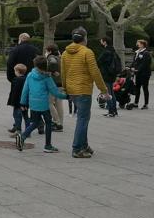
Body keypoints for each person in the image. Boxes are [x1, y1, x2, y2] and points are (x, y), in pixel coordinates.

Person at [61, 27, 107, 159]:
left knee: (82, 118)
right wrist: (103, 90)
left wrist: (65, 88)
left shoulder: (65, 53)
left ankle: (84, 145)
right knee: (83, 119)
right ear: (84, 38)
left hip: (72, 90)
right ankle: (77, 148)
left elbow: (63, 73)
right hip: (83, 90)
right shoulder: (87, 52)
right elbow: (95, 72)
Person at [16, 56, 68, 153]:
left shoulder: (30, 75)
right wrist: (67, 96)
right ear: (46, 66)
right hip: (44, 104)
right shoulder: (47, 78)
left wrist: (22, 102)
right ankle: (48, 145)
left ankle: (22, 137)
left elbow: (25, 90)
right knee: (48, 123)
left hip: (33, 103)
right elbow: (55, 92)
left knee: (35, 123)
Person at [98, 37, 121, 116]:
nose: (100, 42)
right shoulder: (113, 51)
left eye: (101, 41)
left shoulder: (106, 52)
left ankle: (111, 111)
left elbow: (99, 62)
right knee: (112, 93)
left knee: (107, 92)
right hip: (112, 74)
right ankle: (114, 110)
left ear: (105, 42)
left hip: (106, 74)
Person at [46, 44, 64, 131]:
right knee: (59, 103)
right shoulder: (60, 57)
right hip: (60, 83)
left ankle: (57, 122)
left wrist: (51, 71)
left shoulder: (51, 57)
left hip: (53, 83)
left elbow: (52, 62)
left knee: (49, 102)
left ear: (49, 51)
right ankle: (60, 122)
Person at [7, 64, 29, 137]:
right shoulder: (27, 79)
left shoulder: (16, 80)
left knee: (17, 116)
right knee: (26, 116)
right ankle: (28, 131)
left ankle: (18, 131)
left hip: (17, 102)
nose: (14, 72)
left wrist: (12, 102)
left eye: (15, 71)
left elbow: (14, 92)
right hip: (25, 102)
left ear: (17, 71)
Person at [129, 39, 151, 110]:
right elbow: (134, 61)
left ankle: (146, 104)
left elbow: (144, 64)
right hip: (137, 73)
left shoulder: (146, 53)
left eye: (138, 43)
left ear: (142, 44)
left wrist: (137, 70)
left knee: (145, 88)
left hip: (144, 74)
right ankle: (136, 103)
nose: (136, 44)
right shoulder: (137, 52)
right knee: (137, 88)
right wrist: (131, 67)